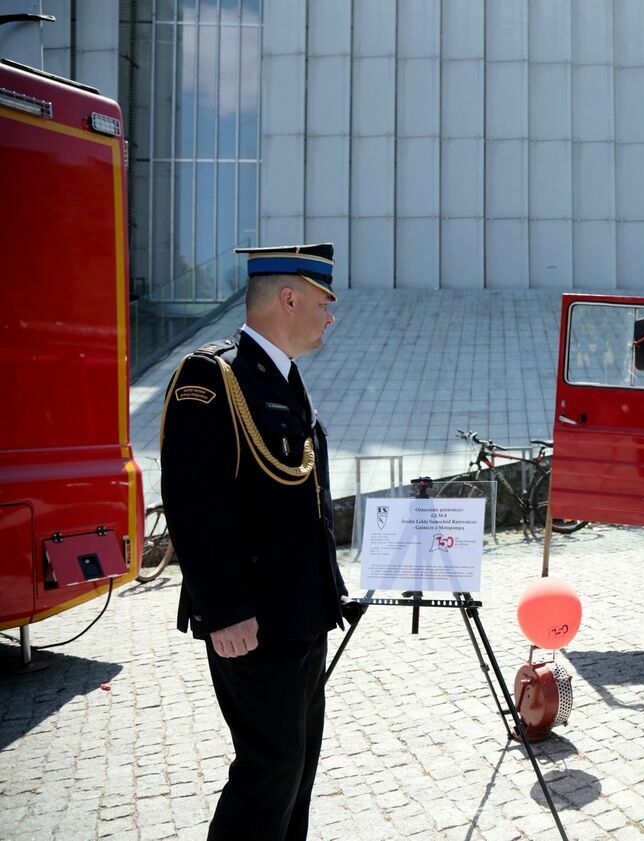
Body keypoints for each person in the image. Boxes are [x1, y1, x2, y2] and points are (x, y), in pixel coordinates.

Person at [161, 242, 360, 840]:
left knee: (296, 770)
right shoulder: (213, 376)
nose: (331, 316)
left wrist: (332, 594)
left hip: (300, 619)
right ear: (289, 298)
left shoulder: (284, 379)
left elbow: (304, 506)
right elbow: (195, 505)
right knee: (267, 771)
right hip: (252, 626)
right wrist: (223, 610)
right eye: (325, 302)